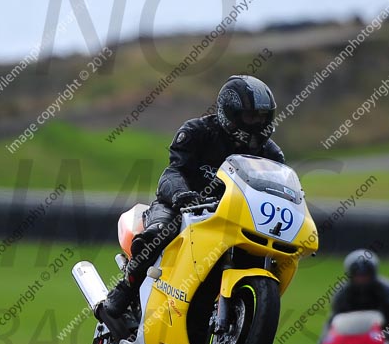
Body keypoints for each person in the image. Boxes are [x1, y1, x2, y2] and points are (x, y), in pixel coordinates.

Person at [102, 75, 285, 318]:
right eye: (251, 117)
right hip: (183, 206)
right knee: (158, 233)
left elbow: (277, 189)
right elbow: (174, 170)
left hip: (233, 217)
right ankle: (125, 289)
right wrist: (181, 195)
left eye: (263, 117)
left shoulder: (271, 154)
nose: (258, 124)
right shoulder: (197, 132)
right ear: (229, 113)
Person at [322, 249, 389, 344]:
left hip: (383, 335)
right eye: (358, 275)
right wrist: (324, 340)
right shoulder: (342, 293)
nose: (362, 278)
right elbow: (333, 319)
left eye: (365, 275)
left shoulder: (387, 290)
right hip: (350, 337)